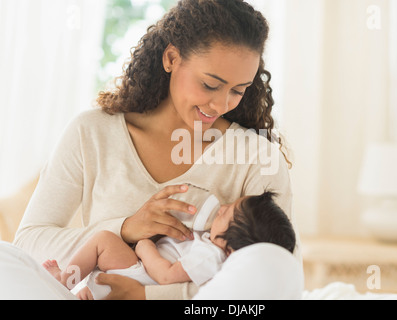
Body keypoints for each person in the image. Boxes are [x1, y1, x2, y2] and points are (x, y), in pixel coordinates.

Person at [12, 0, 299, 300]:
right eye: (210, 84)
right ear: (172, 58)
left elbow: (277, 283)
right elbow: (26, 246)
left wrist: (151, 297)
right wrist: (125, 228)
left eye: (238, 90)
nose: (222, 104)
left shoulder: (256, 158)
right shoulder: (92, 134)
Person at [42, 191, 296, 300]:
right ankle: (74, 285)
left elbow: (165, 276)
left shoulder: (210, 256)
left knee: (103, 241)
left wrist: (144, 247)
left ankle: (62, 284)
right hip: (139, 274)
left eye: (228, 213)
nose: (223, 207)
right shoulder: (210, 244)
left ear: (232, 245)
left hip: (144, 277)